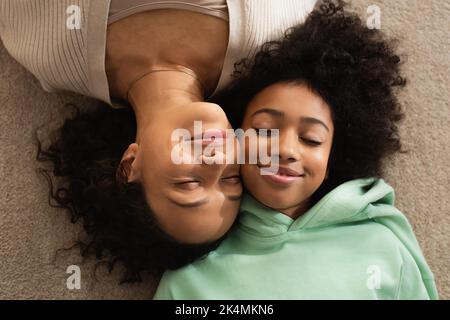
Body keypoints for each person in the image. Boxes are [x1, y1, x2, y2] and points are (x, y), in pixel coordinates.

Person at [0, 0, 317, 283]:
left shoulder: (50, 50)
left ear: (129, 165)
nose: (219, 160)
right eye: (231, 178)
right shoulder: (272, 32)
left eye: (189, 182)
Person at [153, 0, 439, 299]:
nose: (286, 150)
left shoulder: (384, 246)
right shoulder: (190, 276)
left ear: (332, 160)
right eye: (264, 130)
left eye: (312, 139)